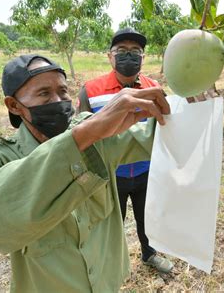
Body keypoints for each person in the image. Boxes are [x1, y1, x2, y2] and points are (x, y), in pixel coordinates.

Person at [0, 54, 170, 292]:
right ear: (13, 105)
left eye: (63, 92)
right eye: (44, 94)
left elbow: (152, 139)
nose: (58, 100)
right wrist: (79, 139)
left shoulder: (95, 133)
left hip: (108, 282)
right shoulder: (0, 154)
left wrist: (189, 101)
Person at [76, 28, 174, 273]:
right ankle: (110, 263)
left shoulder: (154, 88)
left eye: (135, 52)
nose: (128, 56)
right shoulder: (91, 90)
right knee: (110, 223)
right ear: (110, 56)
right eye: (121, 51)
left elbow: (166, 127)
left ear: (143, 57)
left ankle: (149, 254)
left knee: (147, 218)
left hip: (146, 171)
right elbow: (79, 133)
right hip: (110, 175)